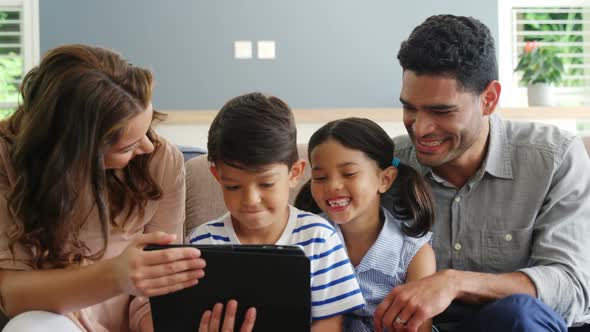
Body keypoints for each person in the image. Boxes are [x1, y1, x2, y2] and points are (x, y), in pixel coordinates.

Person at [374, 14, 590, 332]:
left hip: (519, 326)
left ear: (488, 99)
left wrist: (454, 283)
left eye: (441, 111)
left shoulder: (555, 158)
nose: (420, 128)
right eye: (410, 108)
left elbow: (571, 287)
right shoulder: (387, 166)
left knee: (517, 314)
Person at [0, 44, 214, 332]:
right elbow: (12, 294)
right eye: (127, 145)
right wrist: (115, 276)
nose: (148, 146)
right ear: (76, 150)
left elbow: (163, 281)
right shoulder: (7, 157)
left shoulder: (159, 159)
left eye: (148, 130)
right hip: (56, 320)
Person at [187, 92, 366, 331]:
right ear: (217, 176)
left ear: (295, 173)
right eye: (233, 186)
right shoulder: (201, 243)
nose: (251, 200)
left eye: (266, 184)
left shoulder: (319, 239)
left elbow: (330, 324)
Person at [294, 117, 436, 332]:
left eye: (349, 173)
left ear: (385, 180)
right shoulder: (304, 239)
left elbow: (418, 327)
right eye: (321, 177)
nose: (333, 186)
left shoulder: (414, 252)